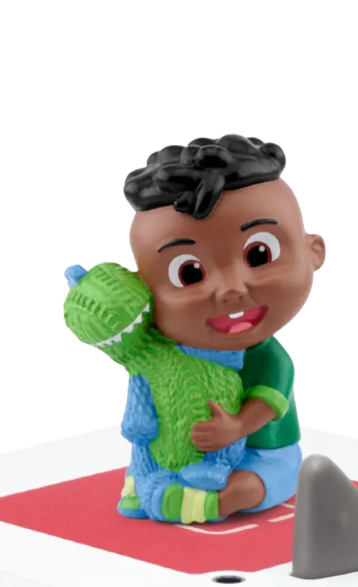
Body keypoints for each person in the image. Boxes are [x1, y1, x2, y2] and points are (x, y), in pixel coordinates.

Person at [120, 135, 325, 519]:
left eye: (259, 255)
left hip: (264, 451)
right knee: (145, 458)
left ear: (314, 250)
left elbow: (266, 403)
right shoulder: (165, 353)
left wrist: (235, 428)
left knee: (251, 485)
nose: (231, 289)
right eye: (190, 273)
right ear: (143, 290)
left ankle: (203, 502)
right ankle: (148, 483)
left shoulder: (267, 357)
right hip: (180, 451)